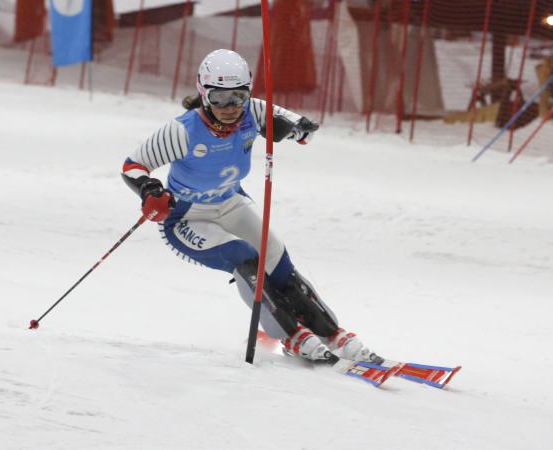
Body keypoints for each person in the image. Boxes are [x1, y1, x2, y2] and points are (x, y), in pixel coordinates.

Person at [121, 49, 382, 364]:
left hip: (230, 203)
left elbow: (305, 128)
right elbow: (133, 165)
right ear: (204, 94)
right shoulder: (182, 131)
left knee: (275, 256)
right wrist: (150, 189)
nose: (231, 107)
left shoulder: (254, 112)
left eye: (239, 96)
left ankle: (330, 332)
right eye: (219, 98)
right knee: (243, 257)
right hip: (187, 217)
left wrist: (292, 131)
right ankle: (292, 336)